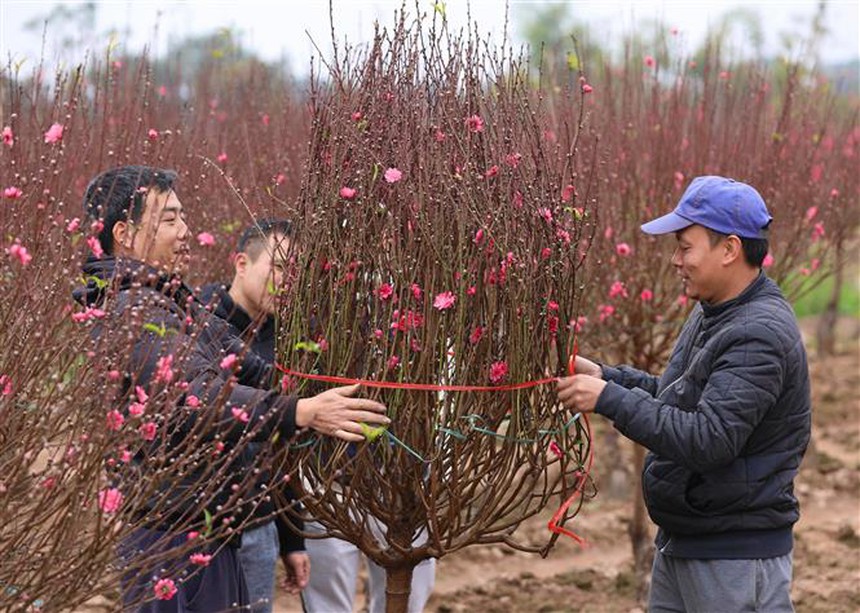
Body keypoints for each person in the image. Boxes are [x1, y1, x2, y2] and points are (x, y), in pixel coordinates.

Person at [75, 165, 389, 612]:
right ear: (124, 233)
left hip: (207, 526)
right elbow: (195, 396)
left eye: (183, 218)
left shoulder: (171, 301)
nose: (185, 231)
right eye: (169, 220)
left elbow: (253, 370)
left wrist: (348, 386)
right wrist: (301, 412)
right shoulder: (134, 310)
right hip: (173, 537)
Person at [557, 175, 811, 612]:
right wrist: (606, 376)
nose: (676, 260)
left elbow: (708, 438)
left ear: (729, 249)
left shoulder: (757, 333)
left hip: (733, 556)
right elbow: (678, 399)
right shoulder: (715, 311)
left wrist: (607, 398)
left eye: (685, 246)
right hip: (690, 540)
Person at [199, 220, 309, 612]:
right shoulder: (197, 325)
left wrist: (292, 540)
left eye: (295, 272)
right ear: (241, 263)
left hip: (259, 526)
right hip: (197, 525)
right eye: (278, 268)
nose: (287, 282)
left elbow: (282, 449)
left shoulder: (285, 340)